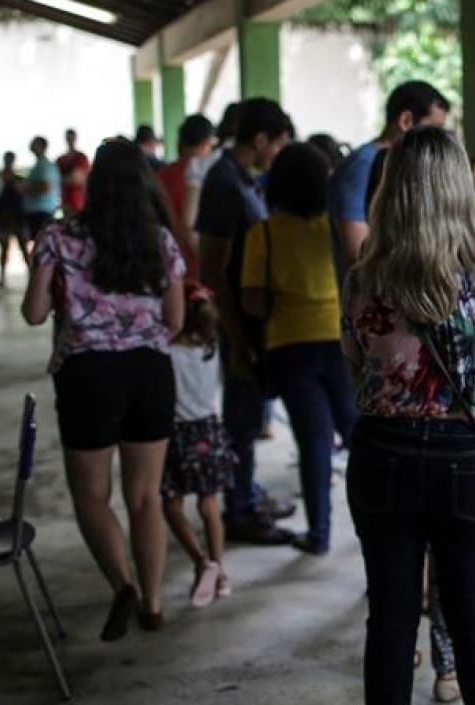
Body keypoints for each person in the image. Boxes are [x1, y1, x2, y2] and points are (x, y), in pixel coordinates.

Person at [342, 126, 475, 705]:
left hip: (382, 454)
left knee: (390, 620)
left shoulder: (364, 279)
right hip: (469, 460)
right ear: (462, 187)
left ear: (392, 191)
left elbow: (355, 368)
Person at [21, 139, 186, 641]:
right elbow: (175, 321)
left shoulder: (58, 235)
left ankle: (122, 584)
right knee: (145, 499)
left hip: (87, 375)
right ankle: (154, 604)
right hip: (149, 373)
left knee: (92, 497)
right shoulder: (158, 239)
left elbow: (32, 312)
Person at [240, 142, 357, 555]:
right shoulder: (334, 227)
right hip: (341, 341)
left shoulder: (263, 234)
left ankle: (319, 535)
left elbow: (252, 302)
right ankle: (376, 533)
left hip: (289, 345)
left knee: (314, 442)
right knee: (358, 438)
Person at [196, 97, 297, 543]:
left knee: (249, 415)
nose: (276, 157)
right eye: (277, 146)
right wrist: (235, 334)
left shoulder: (239, 178)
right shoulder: (223, 183)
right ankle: (238, 510)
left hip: (251, 321)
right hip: (239, 320)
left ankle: (247, 494)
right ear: (260, 140)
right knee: (240, 419)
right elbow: (213, 268)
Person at [161, 285, 235, 605]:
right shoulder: (212, 347)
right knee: (209, 506)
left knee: (172, 505)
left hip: (176, 434)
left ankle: (200, 561)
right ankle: (219, 574)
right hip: (209, 430)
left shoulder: (166, 352)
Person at [329, 80, 450, 274]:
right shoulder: (362, 166)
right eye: (433, 130)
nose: (437, 140)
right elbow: (356, 253)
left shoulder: (403, 165)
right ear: (406, 121)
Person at [157, 114, 216, 278]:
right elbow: (189, 228)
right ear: (206, 144)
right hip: (195, 266)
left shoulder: (160, 176)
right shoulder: (209, 176)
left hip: (166, 264)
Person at [0, 151, 30, 284]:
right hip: (6, 217)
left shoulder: (16, 179)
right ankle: (3, 276)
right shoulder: (0, 179)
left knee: (22, 247)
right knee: (5, 248)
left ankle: (30, 274)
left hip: (16, 217)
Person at [23, 136, 61, 244]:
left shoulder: (43, 165)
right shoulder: (43, 164)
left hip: (41, 212)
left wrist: (24, 189)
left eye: (34, 143)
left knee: (42, 244)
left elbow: (44, 187)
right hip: (42, 211)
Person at [56, 128, 91, 216]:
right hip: (65, 200)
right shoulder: (60, 159)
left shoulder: (81, 157)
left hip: (79, 200)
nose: (70, 140)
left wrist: (61, 180)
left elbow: (77, 178)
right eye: (68, 137)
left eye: (71, 137)